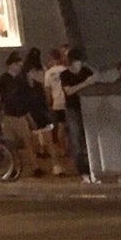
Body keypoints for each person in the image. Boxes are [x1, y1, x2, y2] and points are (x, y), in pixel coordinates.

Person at [0, 51, 40, 176]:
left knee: (27, 141)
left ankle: (35, 166)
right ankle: (13, 167)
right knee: (10, 144)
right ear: (10, 65)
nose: (19, 67)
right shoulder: (4, 79)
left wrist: (28, 115)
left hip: (20, 114)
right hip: (8, 114)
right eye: (16, 64)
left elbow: (26, 97)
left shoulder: (21, 80)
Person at [59, 48, 95, 177]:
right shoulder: (65, 75)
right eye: (76, 61)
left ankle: (91, 164)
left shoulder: (86, 71)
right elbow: (69, 91)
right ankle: (81, 167)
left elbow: (95, 82)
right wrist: (85, 83)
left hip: (87, 108)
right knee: (75, 137)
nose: (79, 64)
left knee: (88, 137)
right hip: (72, 108)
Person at [43, 47, 70, 175]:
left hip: (57, 102)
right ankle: (68, 147)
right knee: (68, 125)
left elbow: (47, 89)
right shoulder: (66, 70)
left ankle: (63, 148)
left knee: (60, 125)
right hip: (68, 101)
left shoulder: (49, 73)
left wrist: (48, 102)